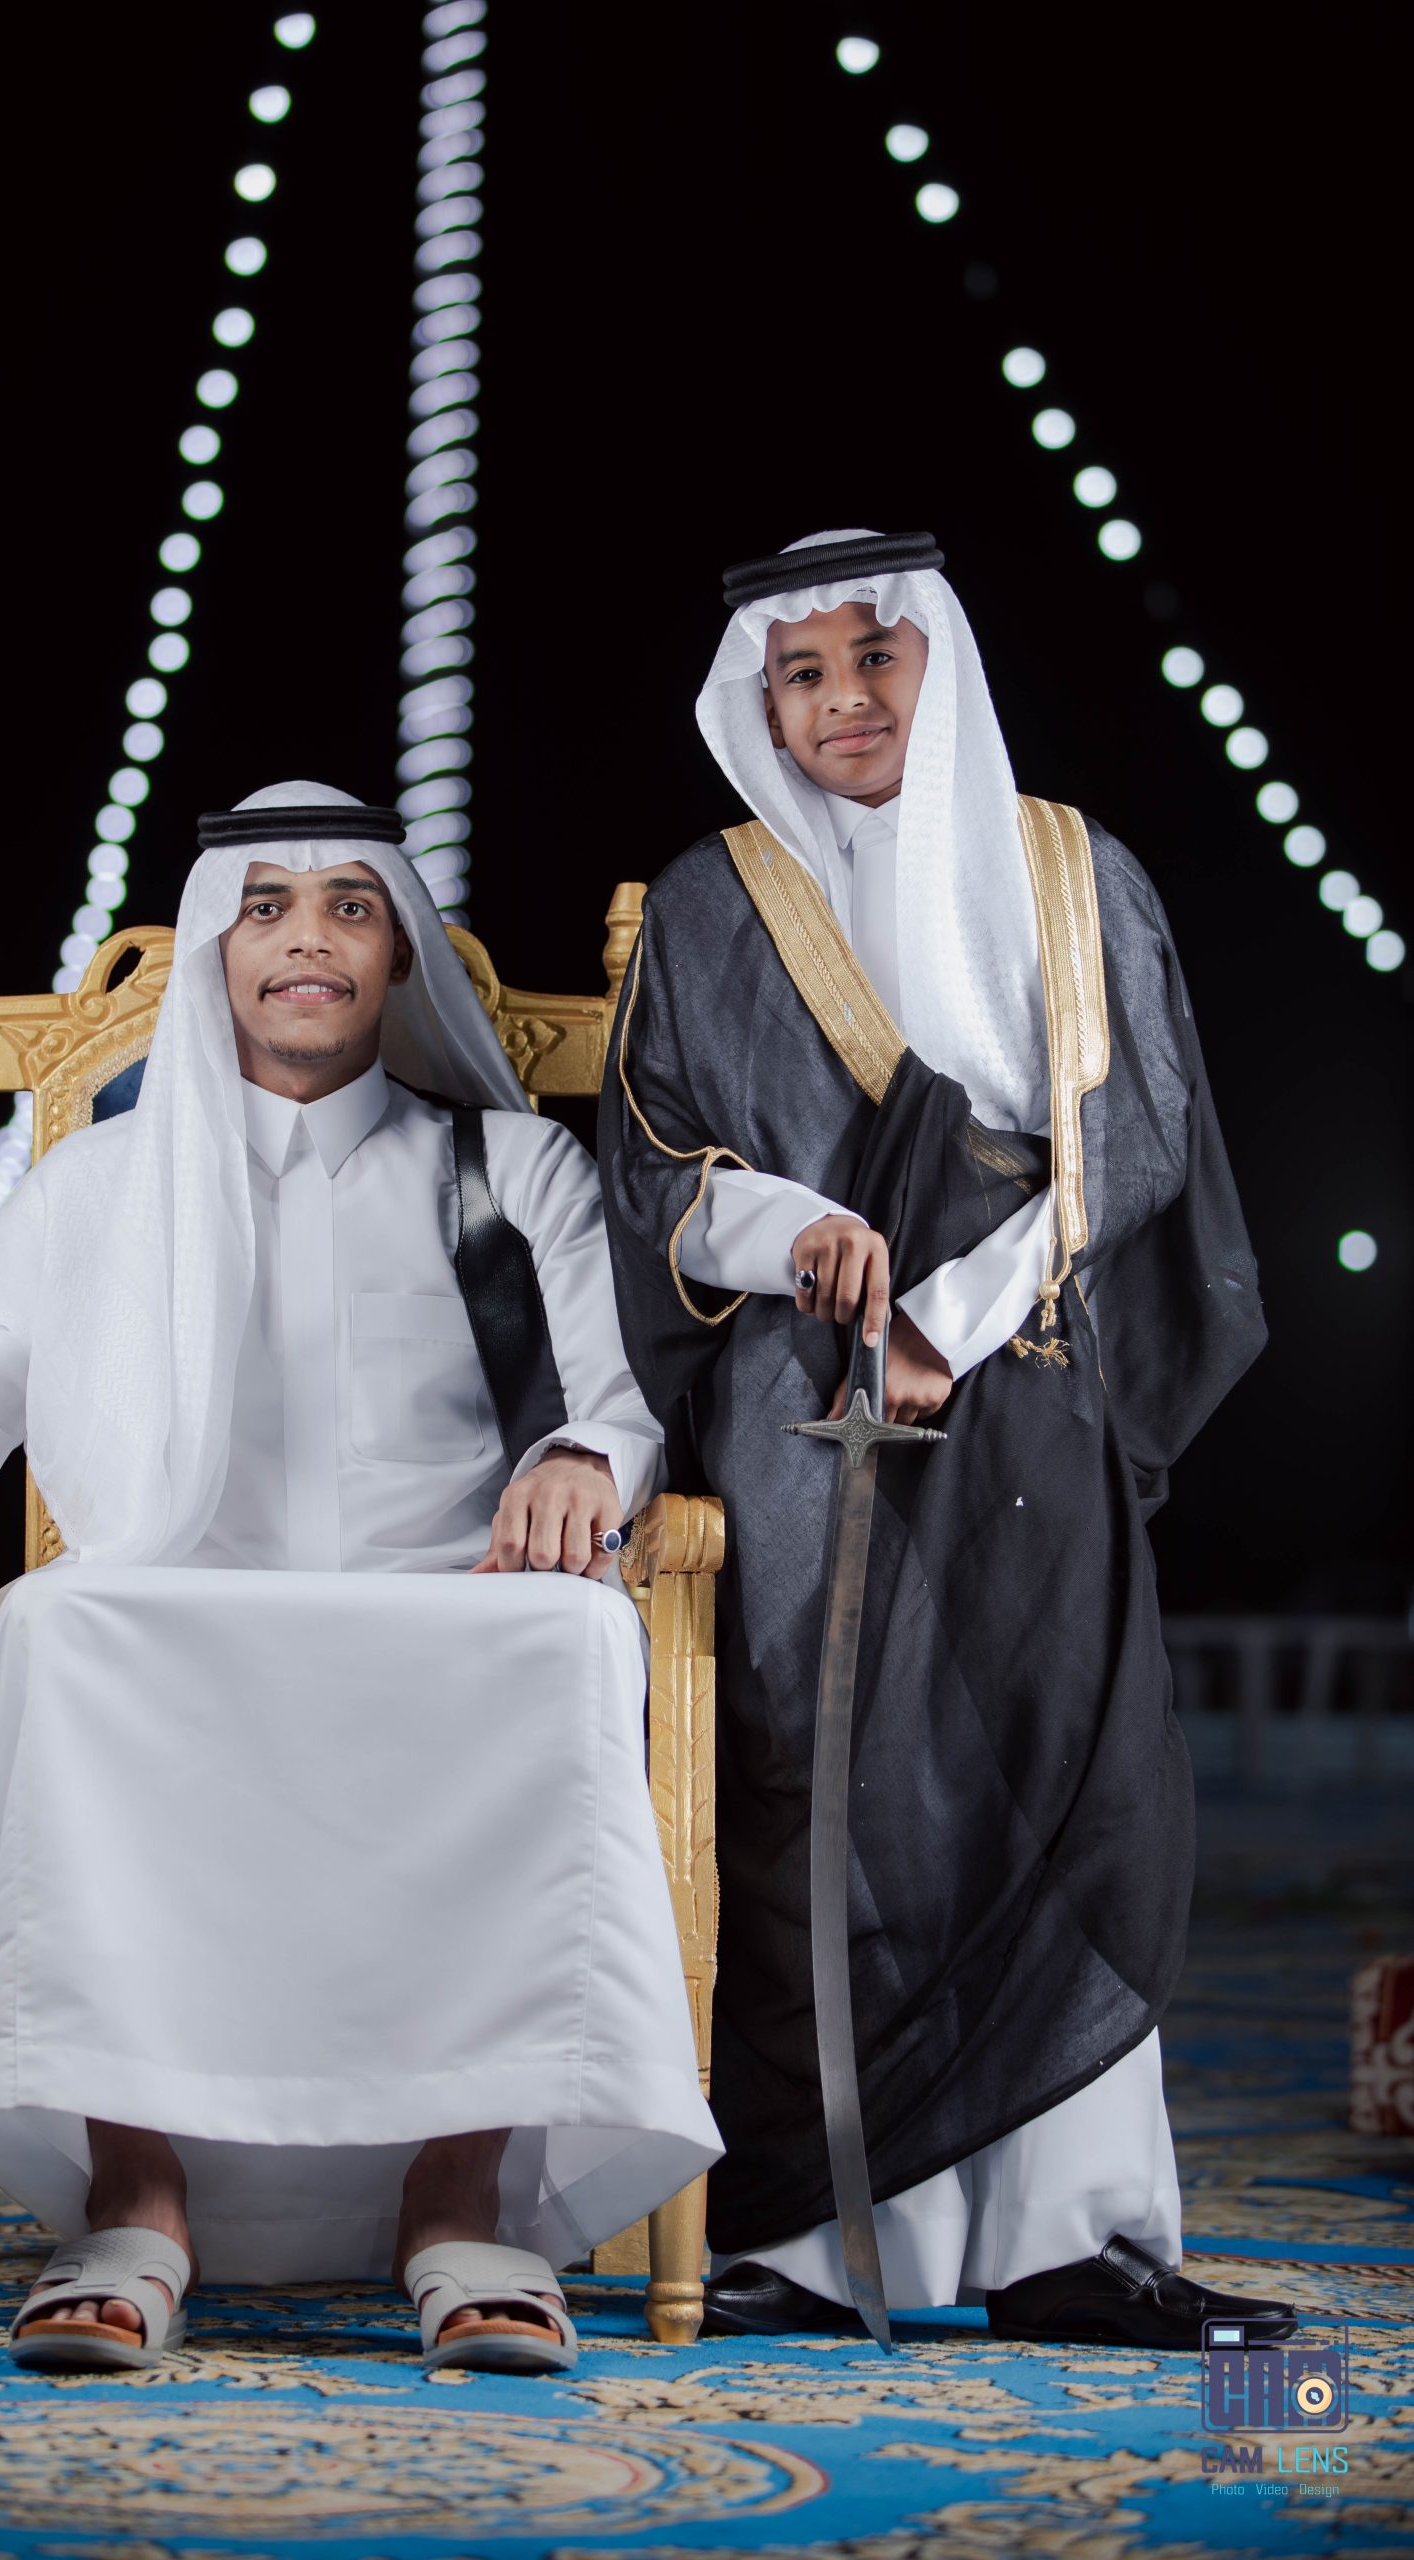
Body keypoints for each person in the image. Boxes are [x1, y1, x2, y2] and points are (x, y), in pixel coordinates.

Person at [0, 782, 719, 2376]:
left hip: (441, 1616)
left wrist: (583, 1465)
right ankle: (134, 2204)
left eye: (348, 906)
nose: (306, 938)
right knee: (60, 1629)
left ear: (396, 956)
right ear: (216, 951)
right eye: (266, 907)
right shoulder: (98, 1182)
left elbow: (615, 1407)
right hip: (167, 1630)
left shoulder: (515, 1169)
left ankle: (459, 2208)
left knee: (570, 1637)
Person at [599, 529, 1295, 2349]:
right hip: (794, 1409)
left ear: (941, 667)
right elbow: (656, 1167)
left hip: (1022, 1382)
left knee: (1070, 1780)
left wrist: (945, 1319)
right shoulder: (711, 902)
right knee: (824, 1807)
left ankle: (1077, 2242)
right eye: (801, 675)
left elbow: (1130, 1139)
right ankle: (818, 2244)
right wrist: (807, 1252)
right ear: (761, 703)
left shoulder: (1067, 870)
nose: (842, 701)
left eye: (873, 660)